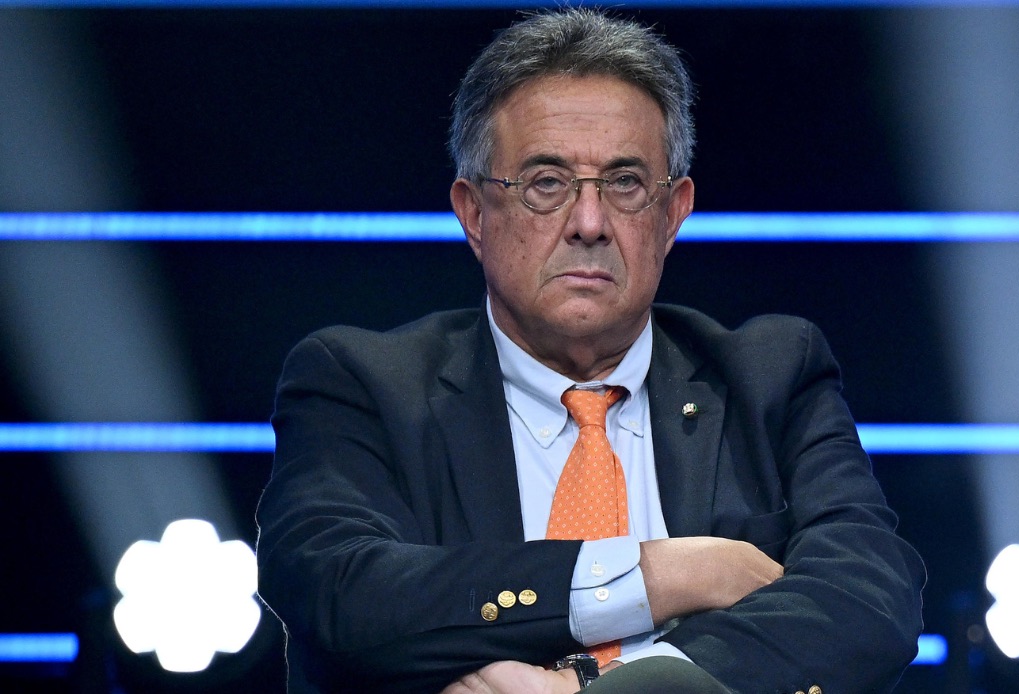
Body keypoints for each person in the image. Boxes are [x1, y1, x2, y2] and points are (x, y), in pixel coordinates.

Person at [256, 8, 925, 694]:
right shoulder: (359, 384)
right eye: (545, 182)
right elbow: (338, 592)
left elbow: (871, 595)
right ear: (474, 213)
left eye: (625, 183)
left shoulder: (771, 377)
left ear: (673, 213)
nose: (588, 223)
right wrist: (664, 575)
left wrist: (599, 688)